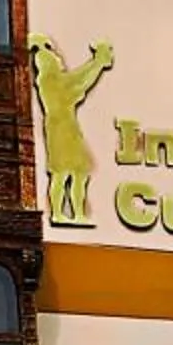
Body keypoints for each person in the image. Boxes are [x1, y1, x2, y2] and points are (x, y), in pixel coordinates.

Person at [30, 35, 115, 226]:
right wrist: (97, 63)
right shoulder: (49, 82)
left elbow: (79, 79)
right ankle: (58, 213)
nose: (60, 60)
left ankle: (77, 213)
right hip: (59, 129)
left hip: (68, 127)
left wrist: (97, 63)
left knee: (80, 172)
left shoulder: (54, 81)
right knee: (61, 173)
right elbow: (79, 80)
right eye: (56, 59)